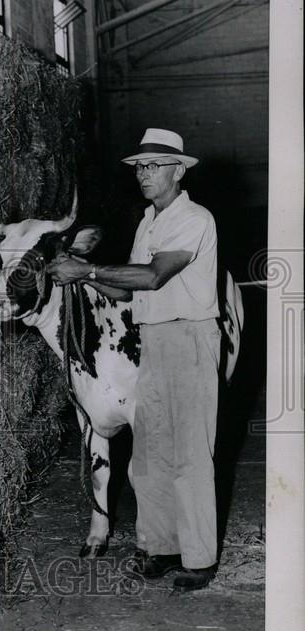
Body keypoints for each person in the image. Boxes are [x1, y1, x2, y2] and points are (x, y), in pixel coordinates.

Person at [46, 128, 221, 591]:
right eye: (140, 166)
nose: (144, 174)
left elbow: (154, 276)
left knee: (188, 451)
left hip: (188, 339)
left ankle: (199, 558)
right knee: (149, 452)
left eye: (154, 165)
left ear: (179, 171)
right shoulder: (148, 222)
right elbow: (124, 287)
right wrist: (81, 280)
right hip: (150, 340)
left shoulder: (194, 218)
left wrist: (86, 268)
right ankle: (161, 548)